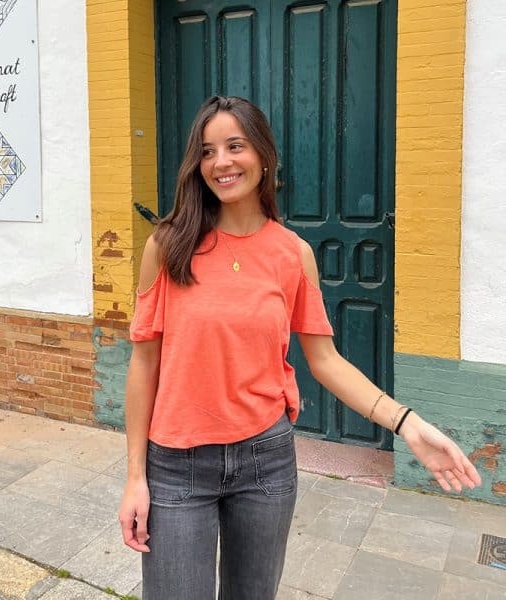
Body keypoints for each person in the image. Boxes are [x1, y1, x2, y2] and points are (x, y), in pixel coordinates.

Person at [118, 95, 481, 599]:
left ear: (264, 156)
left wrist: (408, 424)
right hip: (177, 466)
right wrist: (136, 476)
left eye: (235, 146)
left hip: (264, 462)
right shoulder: (168, 244)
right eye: (207, 151)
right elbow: (144, 364)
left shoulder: (293, 254)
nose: (220, 162)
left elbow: (326, 361)